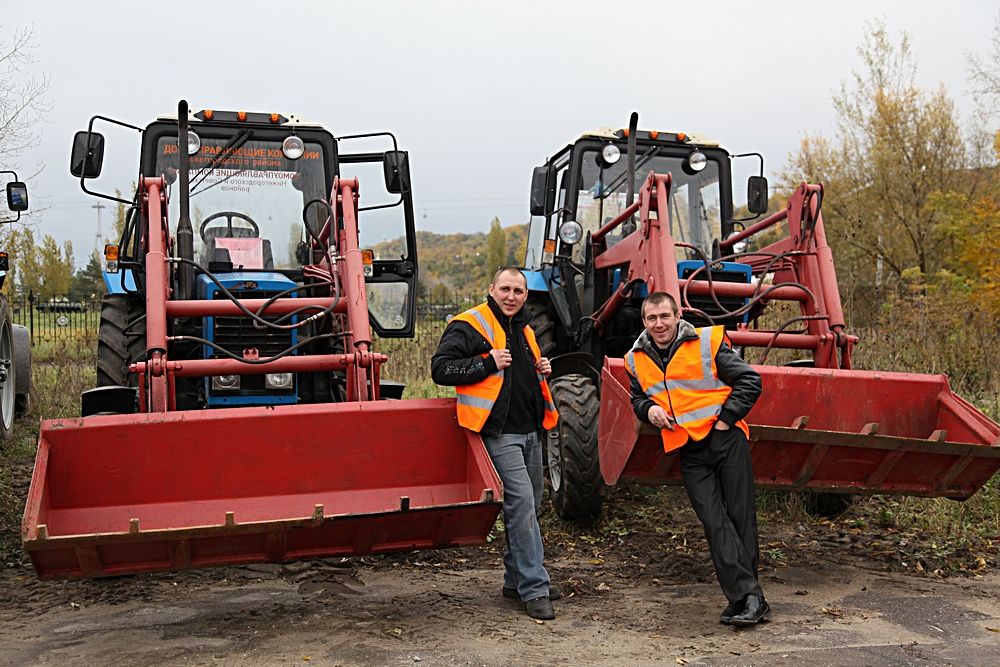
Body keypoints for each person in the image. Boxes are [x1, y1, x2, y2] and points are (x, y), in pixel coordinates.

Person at [626, 291, 770, 626]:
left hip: (725, 441)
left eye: (664, 316)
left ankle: (746, 599)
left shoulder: (707, 342)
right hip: (688, 449)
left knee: (739, 518)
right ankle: (750, 598)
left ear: (678, 315)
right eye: (652, 318)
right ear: (644, 322)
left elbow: (750, 380)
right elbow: (637, 398)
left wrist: (725, 420)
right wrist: (650, 410)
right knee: (714, 521)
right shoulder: (635, 358)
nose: (659, 324)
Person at [431, 267, 561, 620]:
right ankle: (535, 588)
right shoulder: (470, 324)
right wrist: (486, 362)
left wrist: (540, 369)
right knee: (520, 506)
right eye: (505, 289)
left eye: (518, 291)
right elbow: (440, 370)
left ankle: (514, 579)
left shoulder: (524, 327)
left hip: (531, 431)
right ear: (492, 289)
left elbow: (520, 374)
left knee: (529, 508)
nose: (511, 296)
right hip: (498, 434)